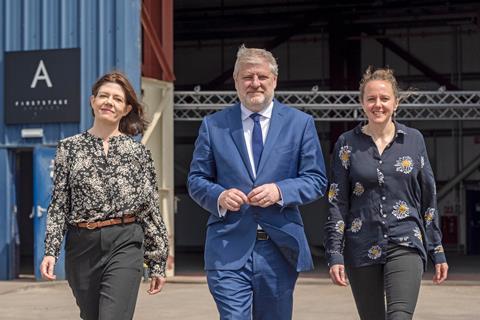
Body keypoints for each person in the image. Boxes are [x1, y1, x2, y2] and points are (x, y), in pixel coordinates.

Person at [187, 44, 327, 320]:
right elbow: (196, 179)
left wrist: (280, 190)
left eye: (261, 77)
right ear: (236, 81)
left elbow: (317, 179)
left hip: (278, 248)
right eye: (247, 77)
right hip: (227, 246)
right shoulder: (213, 125)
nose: (255, 83)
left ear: (274, 80)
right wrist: (219, 196)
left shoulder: (300, 124)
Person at [39, 71, 169, 320]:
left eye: (117, 99)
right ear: (92, 101)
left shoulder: (138, 153)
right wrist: (51, 251)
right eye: (103, 96)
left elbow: (149, 208)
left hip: (125, 241)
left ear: (126, 108)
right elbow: (59, 204)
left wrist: (157, 260)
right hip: (82, 244)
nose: (109, 102)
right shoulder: (69, 148)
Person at [324, 66, 449, 320]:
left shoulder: (414, 140)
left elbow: (428, 197)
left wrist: (437, 248)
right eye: (371, 99)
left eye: (384, 98)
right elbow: (337, 200)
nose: (377, 104)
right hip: (361, 244)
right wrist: (334, 252)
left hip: (406, 240)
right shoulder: (347, 143)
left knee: (399, 316)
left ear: (396, 103)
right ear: (362, 103)